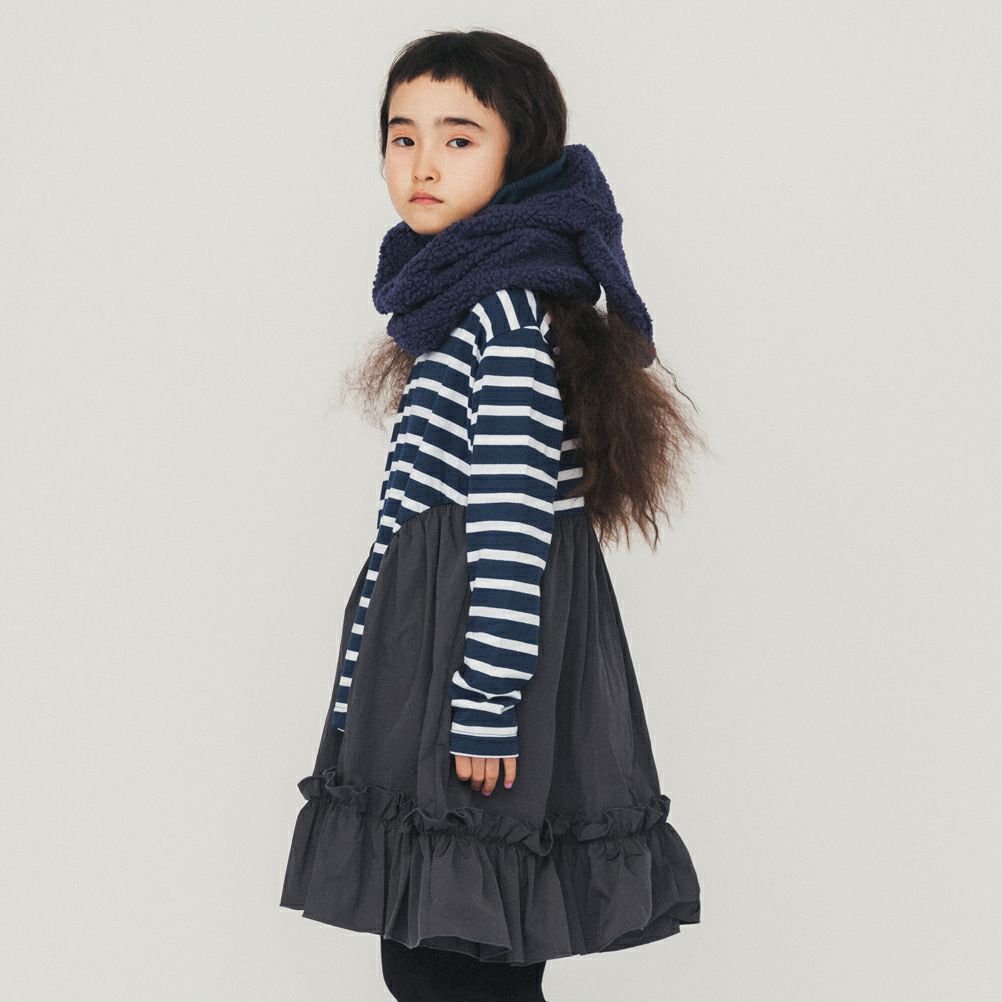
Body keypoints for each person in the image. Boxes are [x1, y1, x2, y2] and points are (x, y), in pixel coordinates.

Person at [280, 28, 705, 1001]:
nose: (422, 163)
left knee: (453, 962)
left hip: (469, 680)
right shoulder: (459, 310)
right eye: (402, 136)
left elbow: (514, 534)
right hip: (432, 664)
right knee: (435, 955)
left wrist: (483, 705)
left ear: (523, 156)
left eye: (459, 138)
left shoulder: (502, 325)